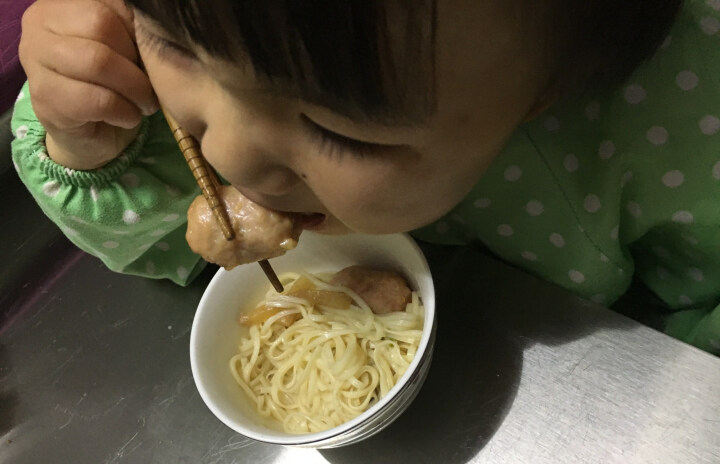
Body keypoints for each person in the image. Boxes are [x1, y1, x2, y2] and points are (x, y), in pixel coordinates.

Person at [12, 0, 720, 350]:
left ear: (546, 93)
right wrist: (88, 143)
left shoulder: (676, 120)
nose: (227, 154)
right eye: (175, 43)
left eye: (336, 130)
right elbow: (150, 244)